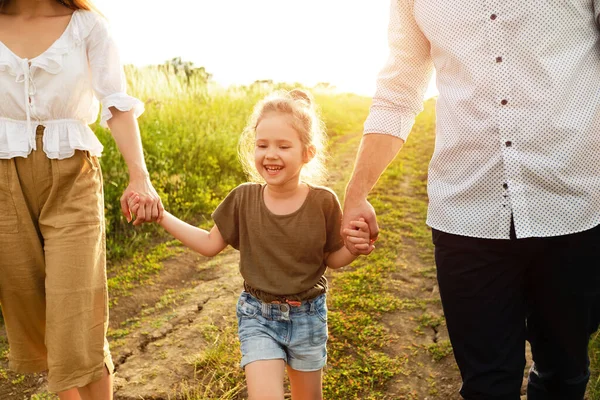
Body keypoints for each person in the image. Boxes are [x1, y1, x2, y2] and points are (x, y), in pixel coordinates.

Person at [341, 1, 600, 399]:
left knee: (563, 372)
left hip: (574, 205)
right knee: (485, 386)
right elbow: (398, 91)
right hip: (465, 212)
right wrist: (357, 192)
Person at [128, 89, 373, 400]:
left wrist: (354, 247)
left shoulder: (323, 202)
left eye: (283, 146)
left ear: (307, 153)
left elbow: (332, 259)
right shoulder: (243, 198)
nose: (270, 154)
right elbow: (208, 244)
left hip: (309, 316)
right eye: (262, 145)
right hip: (258, 315)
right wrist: (161, 216)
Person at [0, 0, 162, 398]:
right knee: (29, 309)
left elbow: (116, 103)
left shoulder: (87, 26)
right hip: (4, 181)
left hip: (72, 175)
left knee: (75, 313)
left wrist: (139, 177)